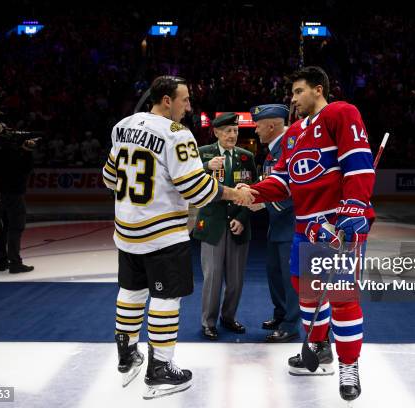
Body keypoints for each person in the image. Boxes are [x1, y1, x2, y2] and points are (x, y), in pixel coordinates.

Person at [101, 76, 253, 399]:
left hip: (126, 232)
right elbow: (195, 190)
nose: (188, 107)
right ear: (167, 100)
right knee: (165, 299)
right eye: (184, 100)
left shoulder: (122, 126)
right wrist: (233, 195)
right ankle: (160, 369)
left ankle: (126, 358)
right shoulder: (176, 134)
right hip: (162, 234)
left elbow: (108, 178)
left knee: (130, 291)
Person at [240, 66, 375, 402]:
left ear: (318, 89)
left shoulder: (342, 112)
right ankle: (319, 350)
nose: (294, 99)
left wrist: (354, 207)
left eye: (298, 92)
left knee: (342, 299)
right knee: (306, 296)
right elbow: (283, 180)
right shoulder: (295, 132)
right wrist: (251, 192)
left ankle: (348, 365)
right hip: (306, 228)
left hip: (334, 226)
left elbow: (358, 163)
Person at [191, 112, 258, 340]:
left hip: (238, 224)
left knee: (236, 279)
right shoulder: (203, 154)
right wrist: (206, 166)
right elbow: (187, 179)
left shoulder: (247, 157)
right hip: (212, 225)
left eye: (236, 130)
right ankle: (208, 322)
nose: (233, 135)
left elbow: (254, 192)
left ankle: (228, 317)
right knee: (213, 277)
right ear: (216, 132)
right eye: (228, 131)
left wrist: (242, 217)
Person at [250, 104, 300, 342]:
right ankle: (281, 315)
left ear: (272, 125)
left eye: (258, 126)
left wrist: (262, 202)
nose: (256, 131)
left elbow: (294, 189)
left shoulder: (290, 148)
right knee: (275, 275)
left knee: (291, 280)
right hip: (276, 226)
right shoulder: (273, 151)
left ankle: (290, 325)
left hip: (291, 225)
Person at [0, 124, 36, 273]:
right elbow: (25, 169)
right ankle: (15, 262)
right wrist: (26, 152)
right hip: (12, 194)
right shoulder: (9, 151)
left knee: (1, 227)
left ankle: (2, 262)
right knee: (15, 227)